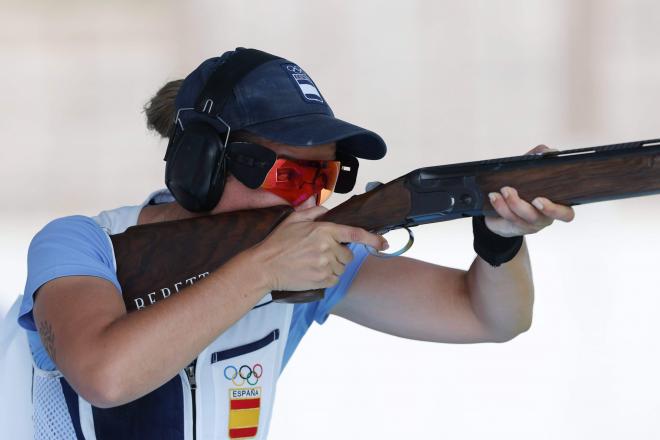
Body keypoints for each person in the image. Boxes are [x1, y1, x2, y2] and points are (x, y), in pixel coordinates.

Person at [18, 48, 575, 439]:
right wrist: (260, 272)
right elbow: (105, 376)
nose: (308, 204)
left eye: (324, 179)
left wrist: (499, 240)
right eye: (290, 178)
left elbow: (489, 318)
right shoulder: (83, 244)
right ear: (200, 165)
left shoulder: (309, 261)